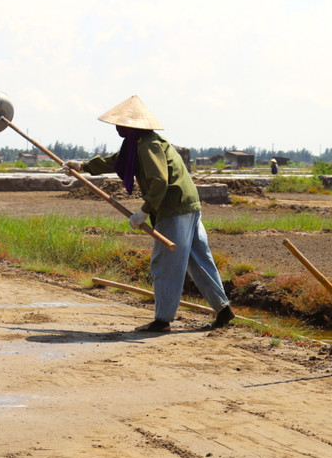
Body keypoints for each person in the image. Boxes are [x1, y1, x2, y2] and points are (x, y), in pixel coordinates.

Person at [63, 95, 234, 332]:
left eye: (120, 124)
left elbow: (159, 181)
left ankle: (162, 320)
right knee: (198, 260)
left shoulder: (147, 145)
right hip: (188, 204)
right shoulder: (139, 144)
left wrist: (144, 211)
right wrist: (82, 166)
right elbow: (117, 162)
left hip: (173, 208)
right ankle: (224, 310)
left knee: (165, 263)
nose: (117, 128)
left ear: (132, 126)